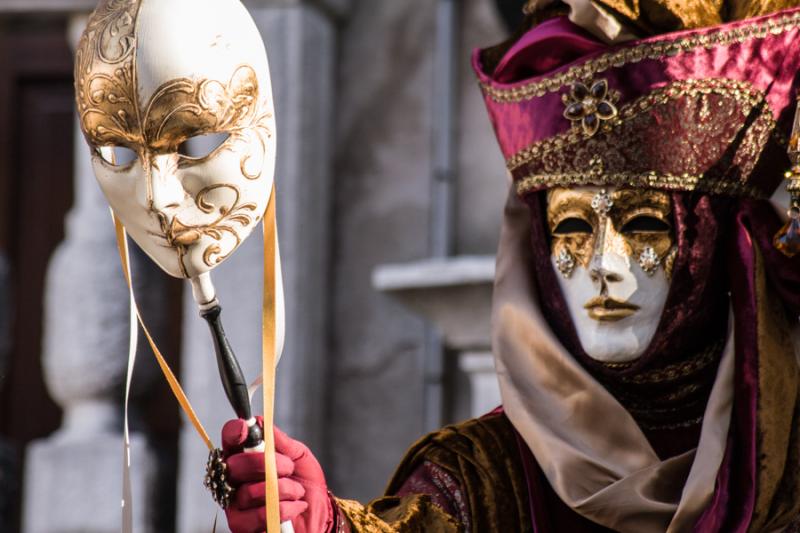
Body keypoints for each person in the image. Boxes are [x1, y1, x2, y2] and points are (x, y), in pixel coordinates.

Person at [222, 1, 800, 531]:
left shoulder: (786, 456)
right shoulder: (482, 475)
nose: (603, 264)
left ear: (713, 246)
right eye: (572, 228)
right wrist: (318, 521)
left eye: (644, 225)